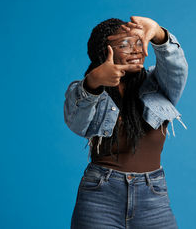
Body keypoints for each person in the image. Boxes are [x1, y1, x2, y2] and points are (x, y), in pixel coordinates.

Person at [64, 16, 188, 228]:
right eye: (124, 45)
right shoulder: (87, 90)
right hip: (100, 196)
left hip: (153, 196)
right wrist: (93, 83)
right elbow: (78, 125)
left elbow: (177, 68)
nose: (136, 50)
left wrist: (159, 34)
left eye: (139, 42)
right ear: (104, 53)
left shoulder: (158, 84)